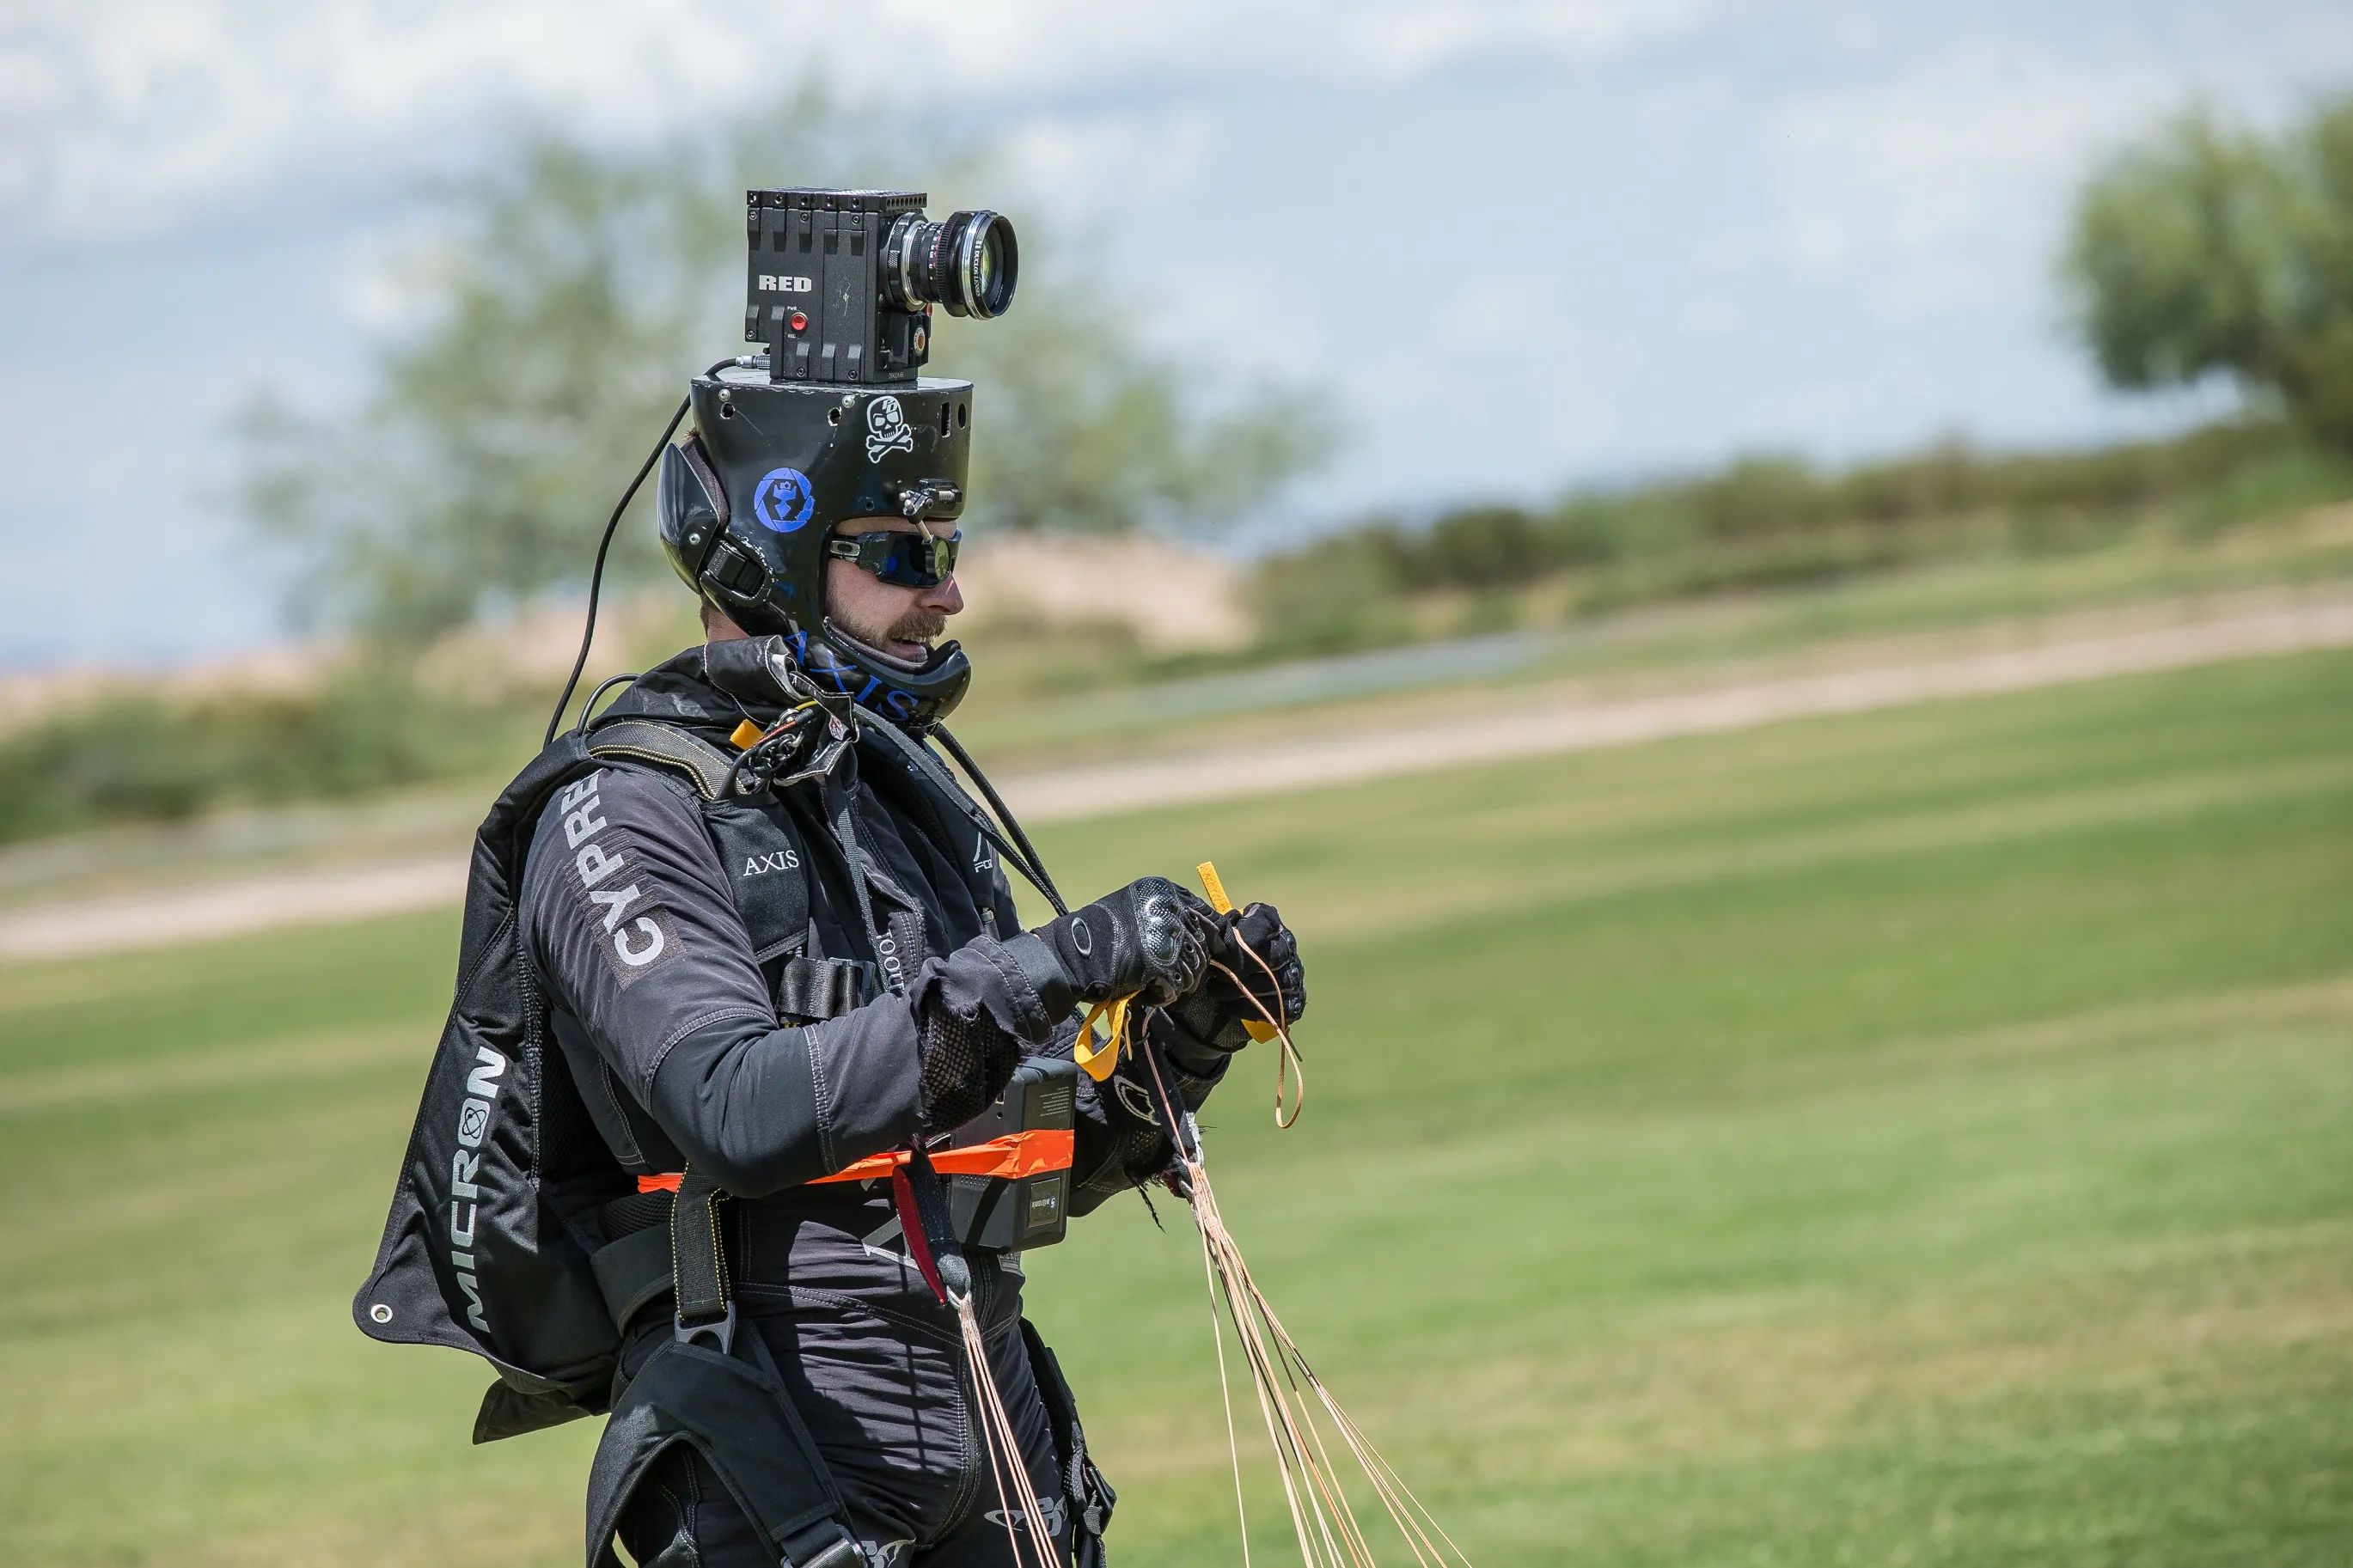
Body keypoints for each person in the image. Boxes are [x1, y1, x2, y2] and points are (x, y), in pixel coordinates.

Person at [507, 369, 1308, 1567]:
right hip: (784, 1469)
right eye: (898, 555)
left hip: (1002, 1459)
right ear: (763, 556)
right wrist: (1051, 966)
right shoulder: (624, 812)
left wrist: (1180, 1045)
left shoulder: (895, 796)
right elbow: (736, 1109)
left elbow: (1009, 1157)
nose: (948, 592)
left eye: (950, 545)